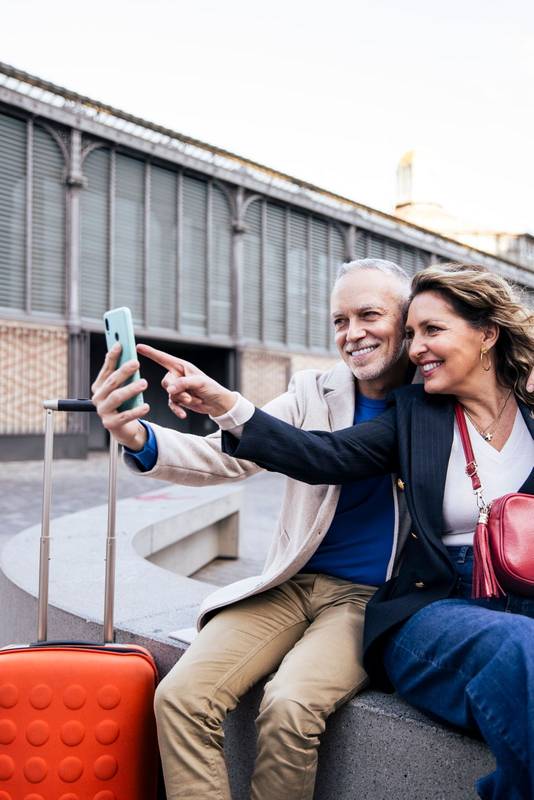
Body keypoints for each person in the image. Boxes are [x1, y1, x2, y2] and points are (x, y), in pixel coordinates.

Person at [165, 262, 534, 800]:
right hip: (435, 598)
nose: (416, 349)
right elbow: (323, 455)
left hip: (518, 592)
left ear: (487, 334)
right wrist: (225, 405)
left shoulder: (529, 410)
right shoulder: (415, 414)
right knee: (519, 648)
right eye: (412, 333)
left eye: (431, 331)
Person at [91, 259, 418, 800]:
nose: (352, 333)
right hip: (289, 584)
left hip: (368, 601)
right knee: (180, 697)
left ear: (407, 321)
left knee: (290, 706)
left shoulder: (434, 401)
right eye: (340, 321)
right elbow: (229, 456)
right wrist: (137, 437)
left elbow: (323, 456)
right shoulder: (312, 391)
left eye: (369, 315)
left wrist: (225, 402)